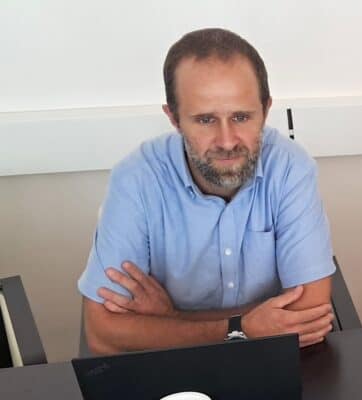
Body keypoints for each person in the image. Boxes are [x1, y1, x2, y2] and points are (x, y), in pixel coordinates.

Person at [78, 28, 336, 355]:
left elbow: (308, 315)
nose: (227, 141)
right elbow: (103, 334)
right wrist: (242, 328)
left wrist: (171, 318)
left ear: (266, 110)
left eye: (241, 117)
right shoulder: (135, 180)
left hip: (269, 364)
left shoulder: (290, 168)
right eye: (205, 120)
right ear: (174, 118)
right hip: (171, 370)